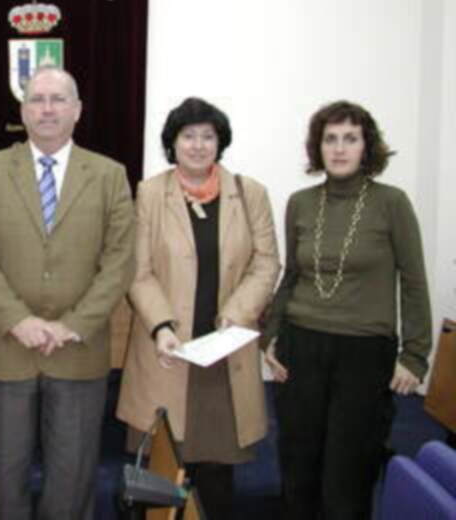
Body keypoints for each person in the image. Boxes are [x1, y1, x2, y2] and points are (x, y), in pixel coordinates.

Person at [0, 65, 135, 520]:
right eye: (38, 99)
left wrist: (74, 325)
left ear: (77, 110)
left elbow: (120, 261)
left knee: (72, 481)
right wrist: (18, 319)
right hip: (5, 347)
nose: (48, 108)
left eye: (59, 99)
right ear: (23, 110)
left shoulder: (110, 175)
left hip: (78, 350)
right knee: (2, 478)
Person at [263, 100, 432, 519]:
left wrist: (414, 354)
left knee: (348, 475)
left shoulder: (392, 203)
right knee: (298, 467)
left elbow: (413, 281)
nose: (339, 148)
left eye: (350, 139)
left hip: (364, 352)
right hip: (301, 347)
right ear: (318, 147)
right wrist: (270, 336)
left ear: (366, 146)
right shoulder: (300, 203)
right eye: (330, 139)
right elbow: (291, 277)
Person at [116, 97, 280, 519]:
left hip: (223, 359)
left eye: (208, 136)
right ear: (172, 143)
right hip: (166, 353)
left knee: (216, 480)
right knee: (159, 477)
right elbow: (137, 269)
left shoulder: (250, 193)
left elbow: (266, 262)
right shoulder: (150, 193)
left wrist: (237, 313)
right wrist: (162, 326)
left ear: (220, 142)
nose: (198, 145)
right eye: (188, 136)